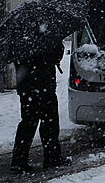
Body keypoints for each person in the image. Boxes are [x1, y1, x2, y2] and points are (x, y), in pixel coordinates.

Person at [11, 41, 68, 173]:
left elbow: (17, 62)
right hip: (44, 85)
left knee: (28, 123)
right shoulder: (46, 37)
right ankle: (52, 157)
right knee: (49, 122)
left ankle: (19, 161)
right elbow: (55, 55)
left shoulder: (19, 40)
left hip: (27, 87)